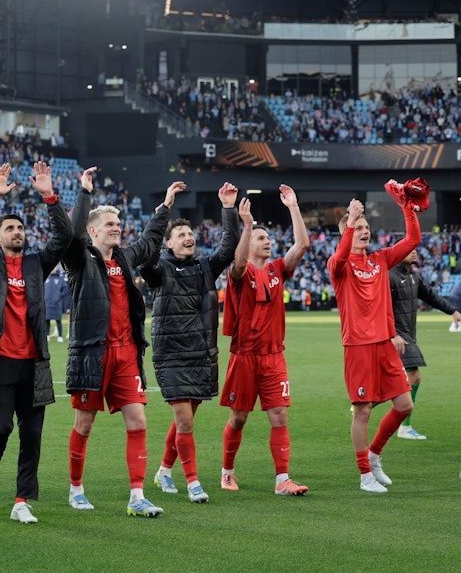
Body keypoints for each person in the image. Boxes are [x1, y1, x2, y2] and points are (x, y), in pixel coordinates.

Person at [63, 168, 185, 517]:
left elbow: (149, 241)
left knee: (139, 422)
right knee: (84, 424)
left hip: (127, 353)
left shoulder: (125, 258)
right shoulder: (79, 260)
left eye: (118, 224)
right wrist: (84, 193)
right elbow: (70, 234)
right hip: (91, 354)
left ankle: (136, 496)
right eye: (109, 225)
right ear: (93, 231)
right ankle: (76, 490)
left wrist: (165, 207)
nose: (116, 228)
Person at [0, 161, 72, 524]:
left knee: (32, 435)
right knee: (0, 429)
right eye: (10, 228)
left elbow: (63, 238)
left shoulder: (36, 264)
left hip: (34, 363)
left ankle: (21, 501)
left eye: (21, 228)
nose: (17, 232)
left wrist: (50, 197)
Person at [143, 182, 240, 504]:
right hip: (170, 355)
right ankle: (193, 483)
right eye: (181, 234)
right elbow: (144, 257)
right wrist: (165, 209)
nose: (188, 237)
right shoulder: (159, 269)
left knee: (185, 419)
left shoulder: (204, 268)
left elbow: (229, 248)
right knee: (184, 420)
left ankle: (164, 471)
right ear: (169, 243)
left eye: (190, 233)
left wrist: (228, 208)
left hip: (200, 353)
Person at [218, 185, 310, 496]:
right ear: (249, 244)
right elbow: (238, 263)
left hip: (273, 355)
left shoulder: (277, 270)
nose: (267, 241)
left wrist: (293, 207)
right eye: (261, 238)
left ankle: (282, 480)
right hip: (244, 355)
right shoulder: (240, 272)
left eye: (268, 238)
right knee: (239, 417)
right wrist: (246, 226)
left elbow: (302, 244)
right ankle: (227, 472)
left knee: (279, 414)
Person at [327, 193, 421, 493]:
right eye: (359, 227)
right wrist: (351, 220)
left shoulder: (380, 260)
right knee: (363, 410)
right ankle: (365, 476)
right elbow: (339, 259)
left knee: (405, 405)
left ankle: (374, 454)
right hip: (358, 346)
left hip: (385, 345)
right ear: (347, 232)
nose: (365, 231)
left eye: (367, 227)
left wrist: (407, 208)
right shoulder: (339, 265)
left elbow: (413, 240)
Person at [388, 249, 461, 440]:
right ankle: (403, 427)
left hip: (407, 334)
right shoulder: (389, 276)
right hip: (396, 335)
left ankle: (365, 403)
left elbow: (430, 296)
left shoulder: (414, 277)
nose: (414, 253)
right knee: (413, 377)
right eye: (409, 250)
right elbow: (378, 308)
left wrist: (452, 311)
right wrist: (392, 333)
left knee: (397, 381)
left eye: (415, 250)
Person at [44, 267, 70, 342]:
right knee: (47, 320)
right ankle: (47, 335)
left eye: (53, 268)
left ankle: (60, 336)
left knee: (58, 320)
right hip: (47, 303)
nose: (52, 270)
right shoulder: (47, 277)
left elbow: (65, 289)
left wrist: (59, 296)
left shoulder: (60, 278)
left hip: (57, 303)